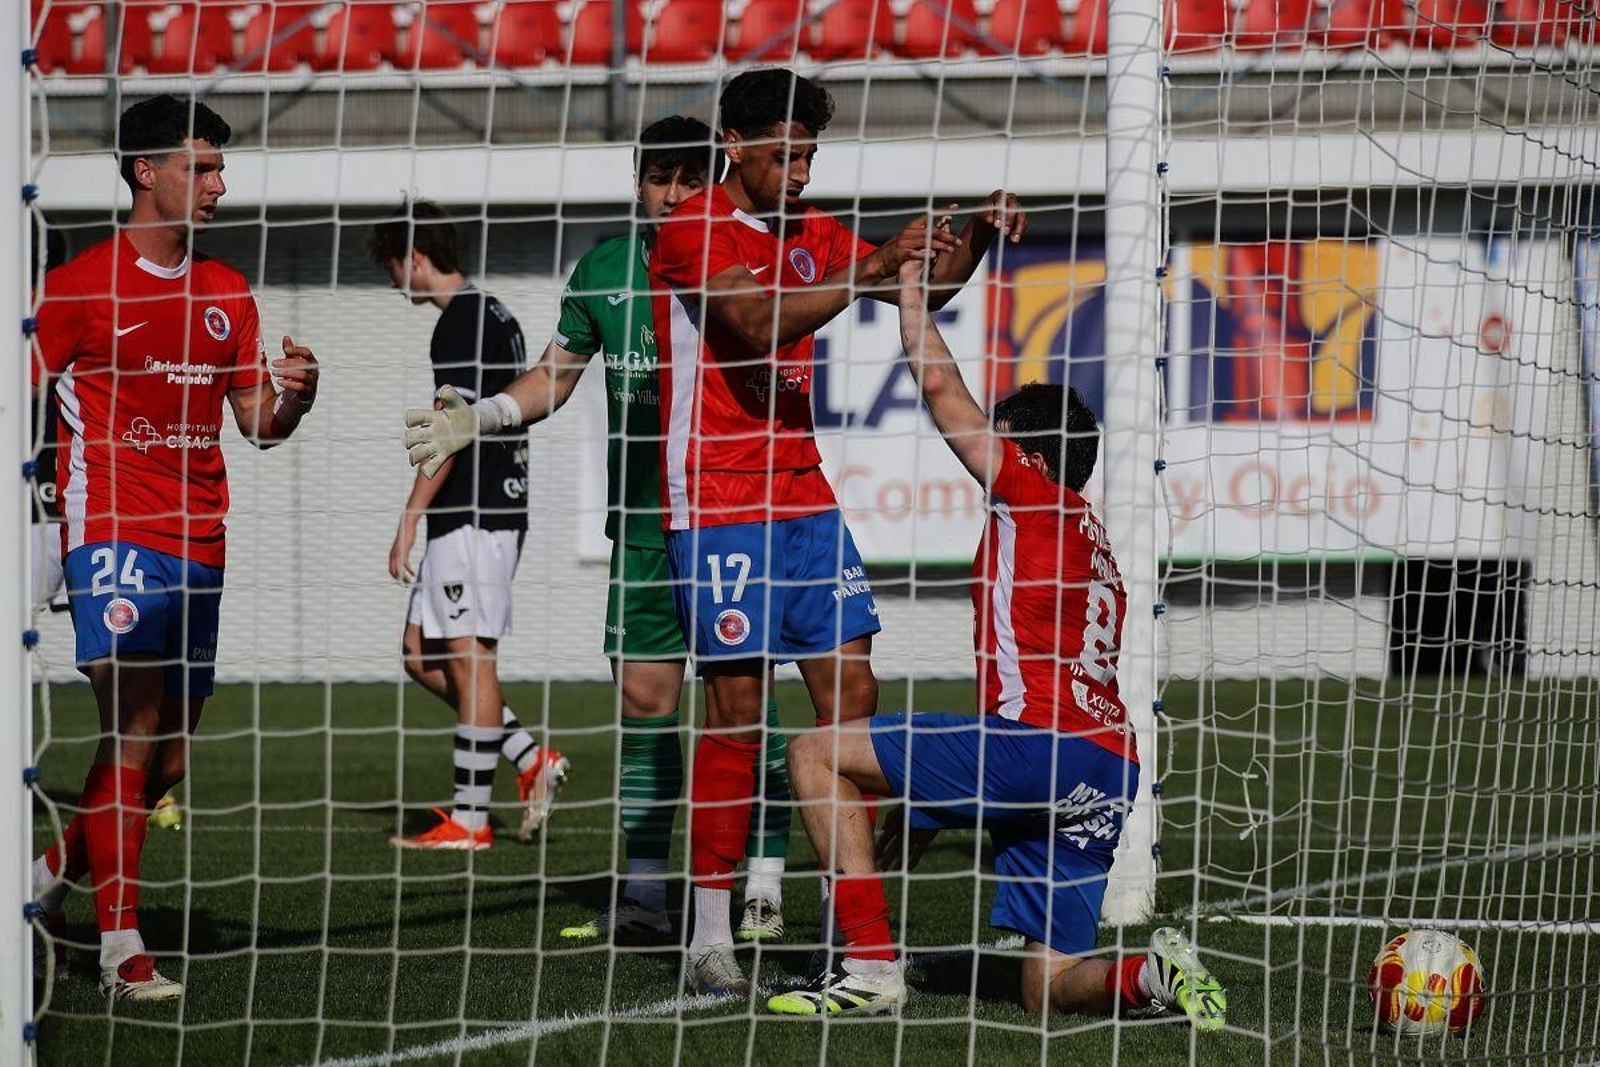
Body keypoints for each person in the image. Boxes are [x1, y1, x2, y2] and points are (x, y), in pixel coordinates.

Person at [764, 257, 1229, 1028]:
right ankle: (1151, 974)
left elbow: (943, 392)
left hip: (1037, 745)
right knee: (1047, 988)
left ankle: (869, 965)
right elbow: (932, 796)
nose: (989, 457)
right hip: (1106, 768)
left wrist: (907, 287)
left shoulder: (1033, 497)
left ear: (1035, 460)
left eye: (1004, 444)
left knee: (815, 752)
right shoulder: (1096, 542)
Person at [644, 67, 1026, 995]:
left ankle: (851, 937)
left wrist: (971, 235)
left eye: (812, 152)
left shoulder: (814, 231)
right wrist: (868, 266)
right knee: (736, 716)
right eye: (787, 153)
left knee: (854, 707)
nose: (804, 170)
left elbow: (919, 288)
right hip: (721, 505)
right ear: (734, 147)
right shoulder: (692, 228)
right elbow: (749, 320)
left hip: (808, 502)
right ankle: (708, 935)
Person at [402, 117, 795, 942]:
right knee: (645, 703)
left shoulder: (750, 259)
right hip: (648, 528)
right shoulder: (605, 269)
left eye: (691, 178)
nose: (673, 194)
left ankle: (762, 877)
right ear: (638, 179)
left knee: (739, 703)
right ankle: (648, 893)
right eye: (659, 177)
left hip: (735, 521)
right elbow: (555, 375)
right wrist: (484, 414)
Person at [27, 95, 319, 1001]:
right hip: (110, 526)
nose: (219, 185)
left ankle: (38, 889)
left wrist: (297, 397)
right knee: (134, 724)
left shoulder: (228, 293)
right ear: (145, 171)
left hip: (201, 537)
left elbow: (257, 427)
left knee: (169, 756)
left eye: (221, 169)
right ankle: (124, 950)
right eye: (202, 167)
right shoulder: (76, 289)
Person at [369, 201, 568, 851]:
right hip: (484, 509)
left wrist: (408, 516)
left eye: (394, 266)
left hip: (476, 511)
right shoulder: (497, 312)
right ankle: (529, 756)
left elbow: (445, 433)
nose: (393, 281)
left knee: (469, 658)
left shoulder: (458, 324)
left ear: (417, 258)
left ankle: (471, 820)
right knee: (419, 654)